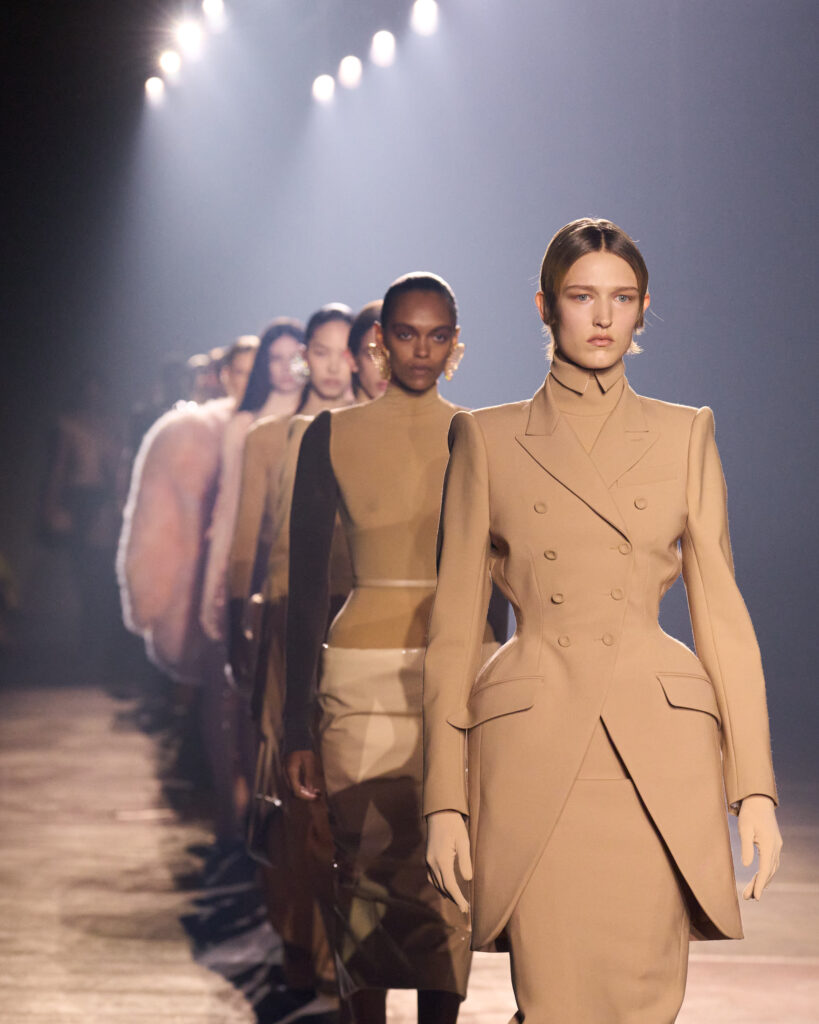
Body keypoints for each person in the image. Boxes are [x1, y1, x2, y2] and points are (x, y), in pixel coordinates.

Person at [423, 218, 782, 1022]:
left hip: (658, 755)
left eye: (621, 299)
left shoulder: (684, 433)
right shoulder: (486, 438)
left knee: (643, 1002)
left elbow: (721, 619)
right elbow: (452, 634)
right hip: (536, 748)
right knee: (555, 1001)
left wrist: (752, 787)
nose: (601, 317)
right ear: (544, 306)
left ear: (643, 309)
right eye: (582, 296)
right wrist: (443, 798)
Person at [283, 274, 490, 1024]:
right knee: (362, 868)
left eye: (436, 336)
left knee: (450, 869)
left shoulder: (482, 436)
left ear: (455, 344)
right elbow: (307, 586)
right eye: (406, 333)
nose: (420, 350)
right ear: (380, 341)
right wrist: (295, 727)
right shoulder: (329, 435)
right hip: (358, 675)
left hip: (458, 671)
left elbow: (494, 574)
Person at [226, 303, 356, 1019]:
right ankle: (299, 945)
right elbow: (247, 540)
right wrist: (233, 633)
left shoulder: (372, 433)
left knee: (344, 793)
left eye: (345, 351)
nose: (334, 365)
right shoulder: (269, 439)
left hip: (357, 622)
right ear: (305, 356)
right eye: (322, 351)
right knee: (292, 786)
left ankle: (339, 952)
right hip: (285, 624)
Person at [117, 336, 257, 849]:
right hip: (212, 592)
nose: (247, 380)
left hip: (255, 590)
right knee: (219, 711)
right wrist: (152, 597)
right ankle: (230, 835)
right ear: (224, 377)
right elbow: (157, 524)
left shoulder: (279, 425)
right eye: (238, 371)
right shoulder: (189, 434)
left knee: (246, 723)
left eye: (256, 370)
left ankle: (243, 844)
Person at [200, 322, 305, 644]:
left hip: (317, 564)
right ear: (264, 364)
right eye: (275, 358)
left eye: (294, 357)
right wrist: (212, 589)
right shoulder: (244, 424)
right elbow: (229, 507)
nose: (286, 368)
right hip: (261, 560)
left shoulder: (332, 415)